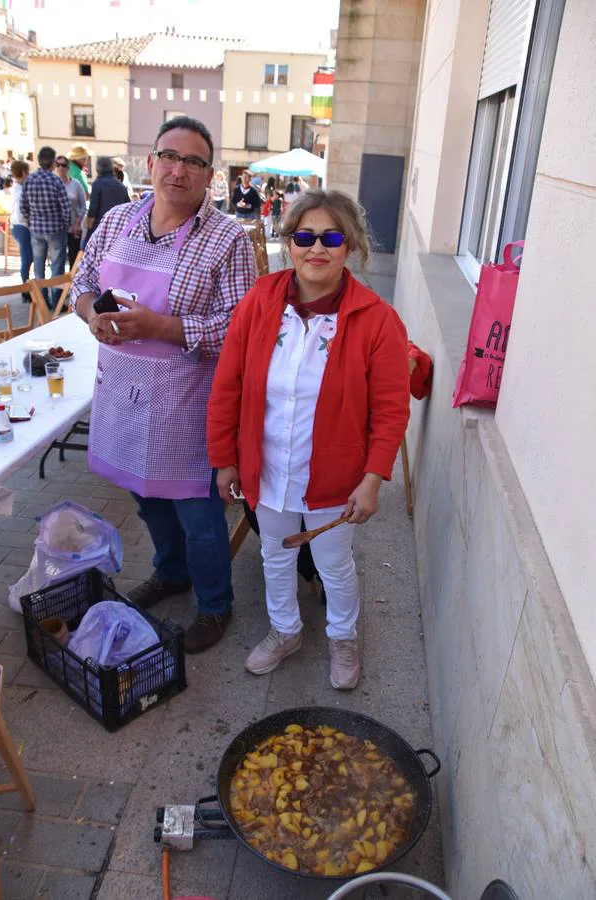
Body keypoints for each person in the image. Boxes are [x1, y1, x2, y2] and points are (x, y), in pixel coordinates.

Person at [207, 189, 410, 689]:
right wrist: (224, 459)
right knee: (274, 554)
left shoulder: (377, 320)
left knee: (332, 561)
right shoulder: (259, 302)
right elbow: (227, 385)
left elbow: (390, 410)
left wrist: (373, 479)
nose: (316, 248)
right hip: (268, 465)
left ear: (350, 246)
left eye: (331, 237)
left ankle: (343, 637)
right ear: (289, 242)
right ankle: (285, 630)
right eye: (305, 236)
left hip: (336, 476)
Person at [70, 115, 257, 653]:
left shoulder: (227, 240)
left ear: (210, 175)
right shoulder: (119, 220)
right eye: (169, 157)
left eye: (194, 161)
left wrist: (160, 327)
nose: (179, 170)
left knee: (198, 513)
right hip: (123, 395)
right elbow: (84, 282)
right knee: (147, 501)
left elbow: (239, 327)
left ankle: (215, 604)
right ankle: (171, 572)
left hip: (186, 405)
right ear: (150, 163)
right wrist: (91, 315)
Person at [21, 145, 71, 310]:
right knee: (57, 267)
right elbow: (65, 207)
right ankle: (57, 301)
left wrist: (31, 221)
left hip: (36, 230)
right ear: (52, 163)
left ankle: (43, 301)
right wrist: (66, 224)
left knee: (39, 266)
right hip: (56, 229)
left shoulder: (30, 180)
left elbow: (23, 206)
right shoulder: (55, 180)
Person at [86, 156, 130, 240]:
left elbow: (93, 207)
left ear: (97, 169)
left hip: (100, 226)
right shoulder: (122, 186)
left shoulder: (98, 183)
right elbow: (128, 207)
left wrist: (89, 227)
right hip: (118, 228)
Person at [55, 155, 86, 268]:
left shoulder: (76, 184)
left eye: (63, 165)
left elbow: (83, 205)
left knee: (74, 259)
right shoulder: (53, 184)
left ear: (68, 168)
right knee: (58, 259)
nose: (60, 168)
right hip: (57, 228)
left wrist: (78, 223)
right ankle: (58, 285)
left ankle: (72, 283)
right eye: (57, 165)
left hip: (74, 228)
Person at [10, 161, 33, 301]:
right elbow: (20, 214)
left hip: (20, 226)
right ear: (24, 172)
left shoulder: (18, 188)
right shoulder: (20, 191)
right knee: (27, 259)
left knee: (28, 259)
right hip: (23, 227)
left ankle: (27, 288)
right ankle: (25, 291)